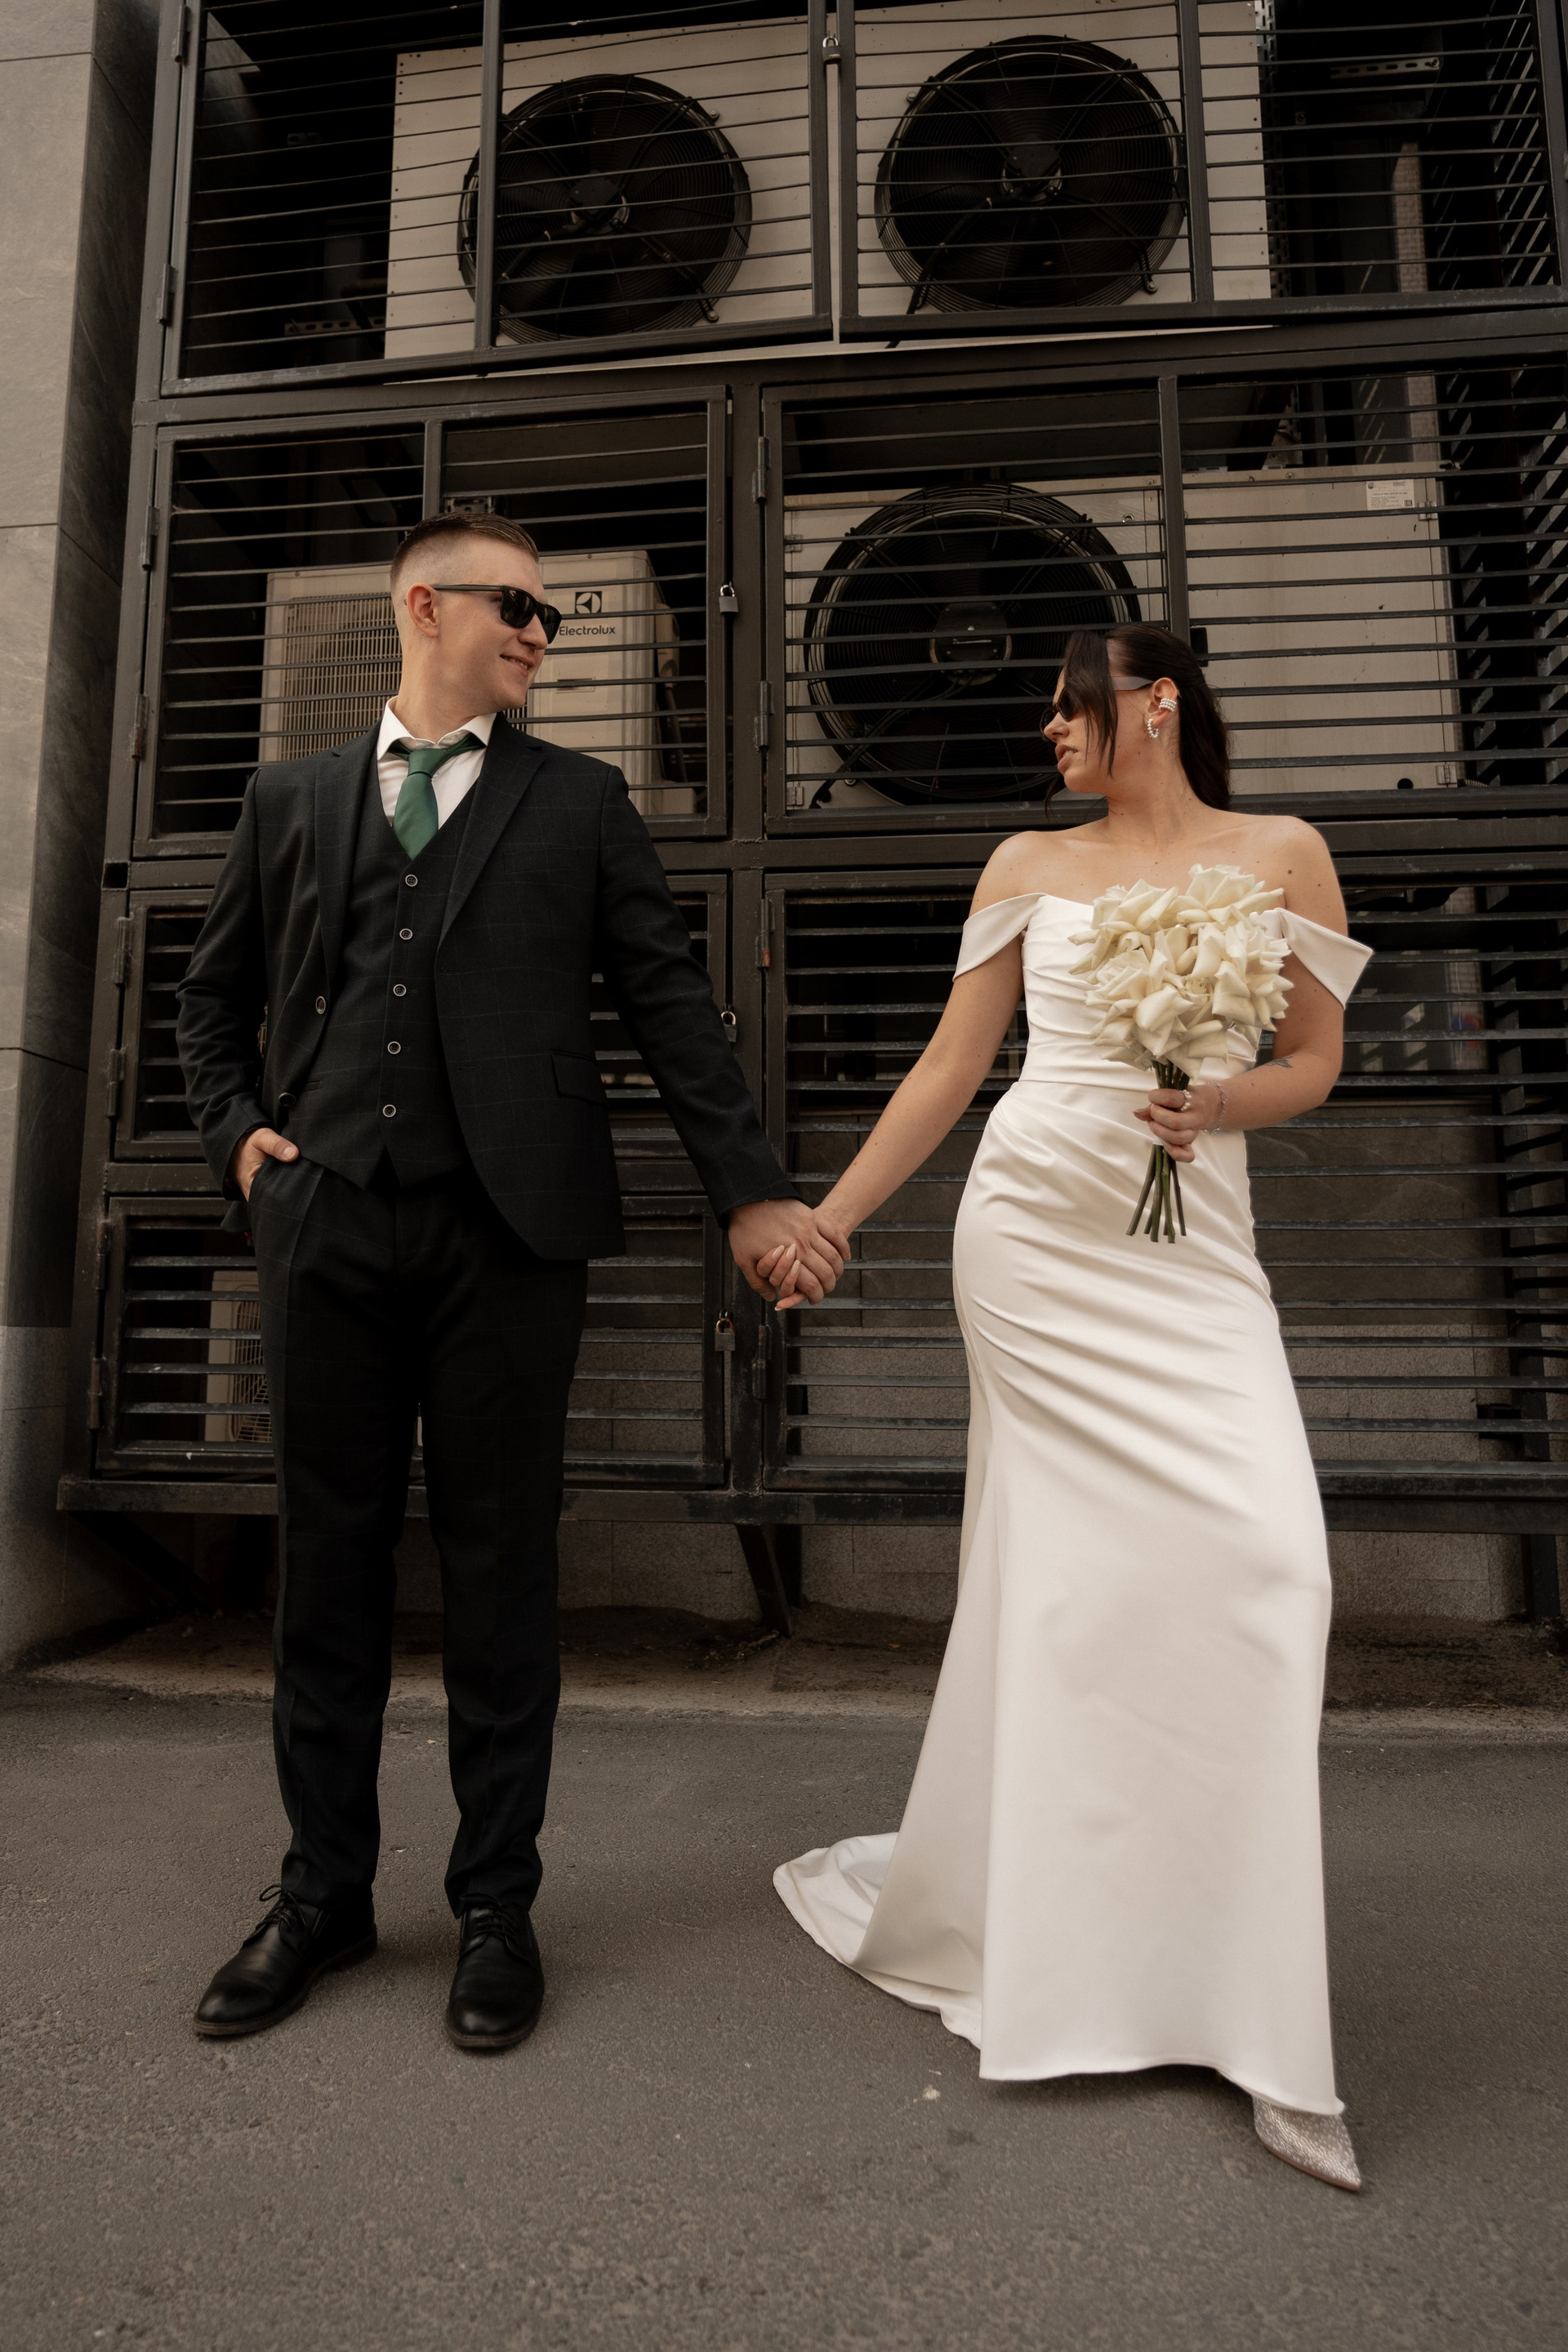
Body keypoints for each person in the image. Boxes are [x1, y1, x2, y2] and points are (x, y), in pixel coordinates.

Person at [177, 512, 840, 2051]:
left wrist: (750, 1190)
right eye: (520, 608)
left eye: (553, 617)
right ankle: (322, 1895)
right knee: (326, 1572)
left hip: (511, 1237)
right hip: (327, 1222)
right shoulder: (289, 798)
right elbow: (209, 999)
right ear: (426, 607)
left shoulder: (583, 801)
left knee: (499, 1575)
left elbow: (670, 1006)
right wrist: (239, 1144)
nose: (543, 633)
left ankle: (495, 1907)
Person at [769, 624, 1372, 2190]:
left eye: (1071, 702)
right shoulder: (1027, 863)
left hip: (1196, 1258)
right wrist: (832, 1220)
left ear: (1158, 703)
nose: (1050, 728)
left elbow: (1316, 1059)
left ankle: (1252, 2003)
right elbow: (951, 1068)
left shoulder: (1283, 851)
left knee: (1273, 1571)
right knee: (1073, 1597)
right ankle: (1086, 1953)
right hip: (1036, 1241)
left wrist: (1219, 1099)